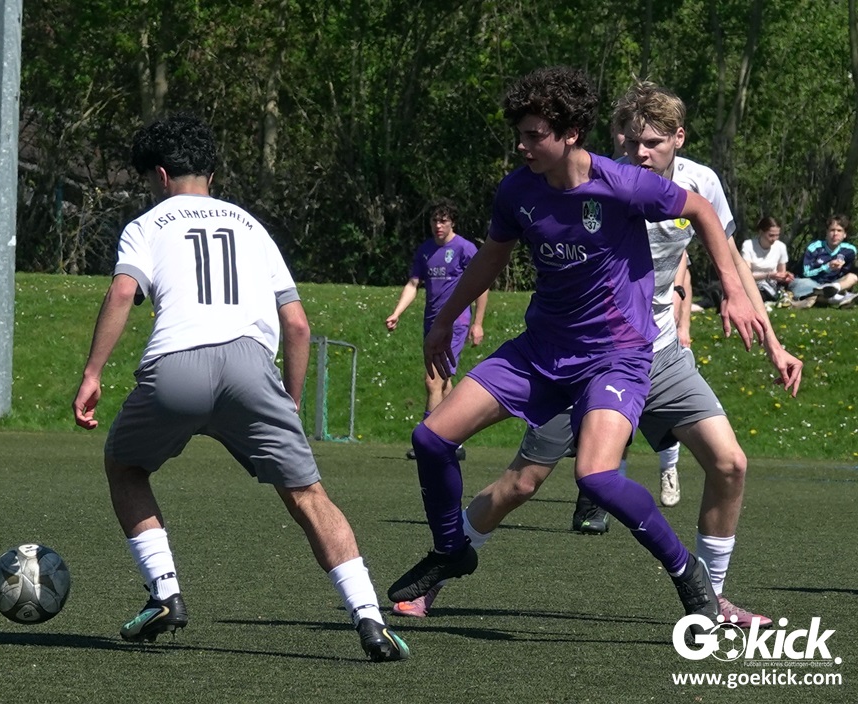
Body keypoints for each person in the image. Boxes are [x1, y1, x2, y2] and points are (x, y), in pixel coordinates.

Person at [390, 80, 802, 629]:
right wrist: (444, 320)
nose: (521, 146)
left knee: (604, 476)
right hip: (541, 353)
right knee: (438, 442)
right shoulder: (517, 190)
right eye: (520, 134)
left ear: (570, 133)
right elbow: (491, 257)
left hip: (618, 356)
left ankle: (697, 582)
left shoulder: (627, 185)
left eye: (533, 135)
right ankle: (449, 554)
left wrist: (734, 292)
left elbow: (704, 212)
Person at [71, 115, 409, 662]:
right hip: (252, 370)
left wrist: (92, 374)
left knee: (125, 467)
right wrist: (289, 403)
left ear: (160, 175)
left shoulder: (147, 224)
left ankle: (165, 593)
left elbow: (122, 294)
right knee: (308, 496)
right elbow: (297, 325)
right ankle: (370, 618)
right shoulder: (251, 226)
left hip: (175, 368)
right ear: (211, 172)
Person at [385, 198, 488, 460]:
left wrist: (477, 323)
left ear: (453, 222)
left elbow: (482, 284)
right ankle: (453, 441)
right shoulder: (426, 250)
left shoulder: (464, 248)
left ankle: (428, 441)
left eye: (443, 221)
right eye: (434, 220)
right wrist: (397, 313)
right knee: (444, 382)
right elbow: (413, 284)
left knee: (432, 380)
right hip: (432, 323)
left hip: (456, 322)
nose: (438, 225)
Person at [788, 215, 858, 308]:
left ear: (845, 234)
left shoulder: (850, 250)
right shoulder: (814, 248)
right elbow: (806, 273)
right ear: (827, 232)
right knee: (810, 287)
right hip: (809, 282)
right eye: (832, 230)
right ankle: (841, 299)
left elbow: (850, 270)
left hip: (833, 284)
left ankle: (833, 290)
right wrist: (827, 267)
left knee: (853, 277)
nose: (835, 234)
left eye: (839, 230)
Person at [741, 216, 794, 304]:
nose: (774, 239)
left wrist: (785, 276)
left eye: (777, 235)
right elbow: (746, 275)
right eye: (771, 235)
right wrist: (768, 275)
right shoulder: (748, 245)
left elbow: (781, 273)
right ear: (761, 232)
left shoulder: (781, 247)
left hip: (770, 285)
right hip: (751, 283)